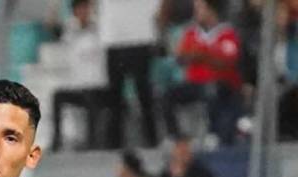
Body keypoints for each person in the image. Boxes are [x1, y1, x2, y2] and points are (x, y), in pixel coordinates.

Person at [163, 0, 243, 146]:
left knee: (212, 90)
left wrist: (201, 55)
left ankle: (214, 134)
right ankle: (175, 137)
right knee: (168, 95)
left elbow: (226, 62)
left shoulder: (227, 33)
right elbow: (182, 57)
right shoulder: (192, 32)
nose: (196, 12)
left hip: (223, 84)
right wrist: (201, 55)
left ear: (211, 10)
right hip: (195, 83)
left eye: (200, 8)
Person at [50, 0, 112, 151]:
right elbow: (53, 26)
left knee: (91, 97)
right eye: (79, 9)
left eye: (86, 8)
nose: (83, 12)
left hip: (99, 86)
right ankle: (56, 141)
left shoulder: (100, 29)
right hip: (79, 86)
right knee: (58, 96)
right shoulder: (70, 30)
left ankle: (93, 143)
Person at [98, 0, 160, 148]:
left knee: (144, 95)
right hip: (114, 38)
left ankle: (151, 140)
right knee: (114, 97)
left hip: (141, 36)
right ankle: (114, 143)